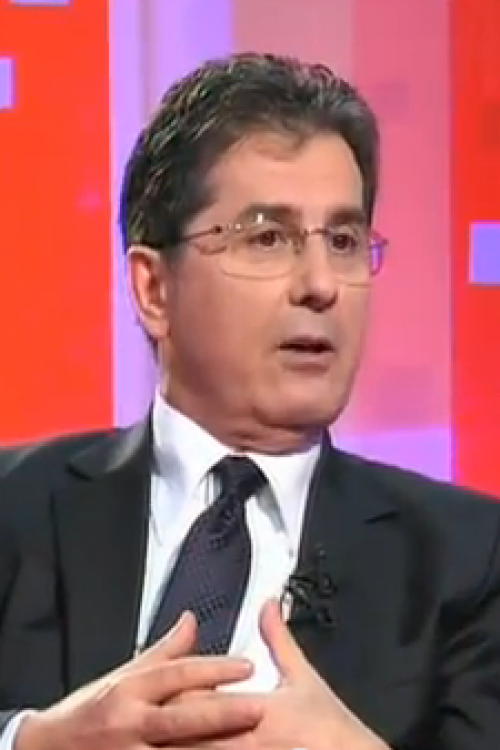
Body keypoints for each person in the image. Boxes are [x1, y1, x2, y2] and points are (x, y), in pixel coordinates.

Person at [1, 52, 500, 750]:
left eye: (345, 240)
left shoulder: (471, 559)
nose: (321, 284)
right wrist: (31, 743)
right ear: (153, 289)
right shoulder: (14, 510)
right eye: (268, 237)